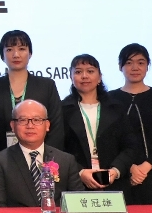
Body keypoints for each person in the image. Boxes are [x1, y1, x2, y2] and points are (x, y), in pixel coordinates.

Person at [109, 43, 152, 206]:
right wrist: (129, 167)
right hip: (120, 173)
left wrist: (146, 167)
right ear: (120, 66)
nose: (135, 67)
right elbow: (109, 140)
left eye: (141, 62)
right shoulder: (110, 99)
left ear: (148, 66)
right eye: (128, 62)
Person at [60, 54, 141, 191]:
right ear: (71, 77)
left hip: (114, 182)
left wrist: (116, 170)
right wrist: (79, 172)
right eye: (78, 72)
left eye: (90, 71)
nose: (84, 76)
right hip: (76, 183)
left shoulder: (116, 108)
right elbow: (58, 148)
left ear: (99, 77)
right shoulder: (62, 110)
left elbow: (131, 145)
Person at [0, 100, 84, 207]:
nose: (30, 125)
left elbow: (79, 203)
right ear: (13, 126)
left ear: (47, 125)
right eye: (23, 120)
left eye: (37, 120)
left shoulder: (66, 160)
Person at [0, 30, 64, 149]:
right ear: (2, 56)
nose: (16, 55)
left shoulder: (46, 86)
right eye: (9, 50)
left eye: (21, 49)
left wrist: (46, 157)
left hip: (41, 156)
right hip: (0, 156)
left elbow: (56, 127)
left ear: (30, 53)